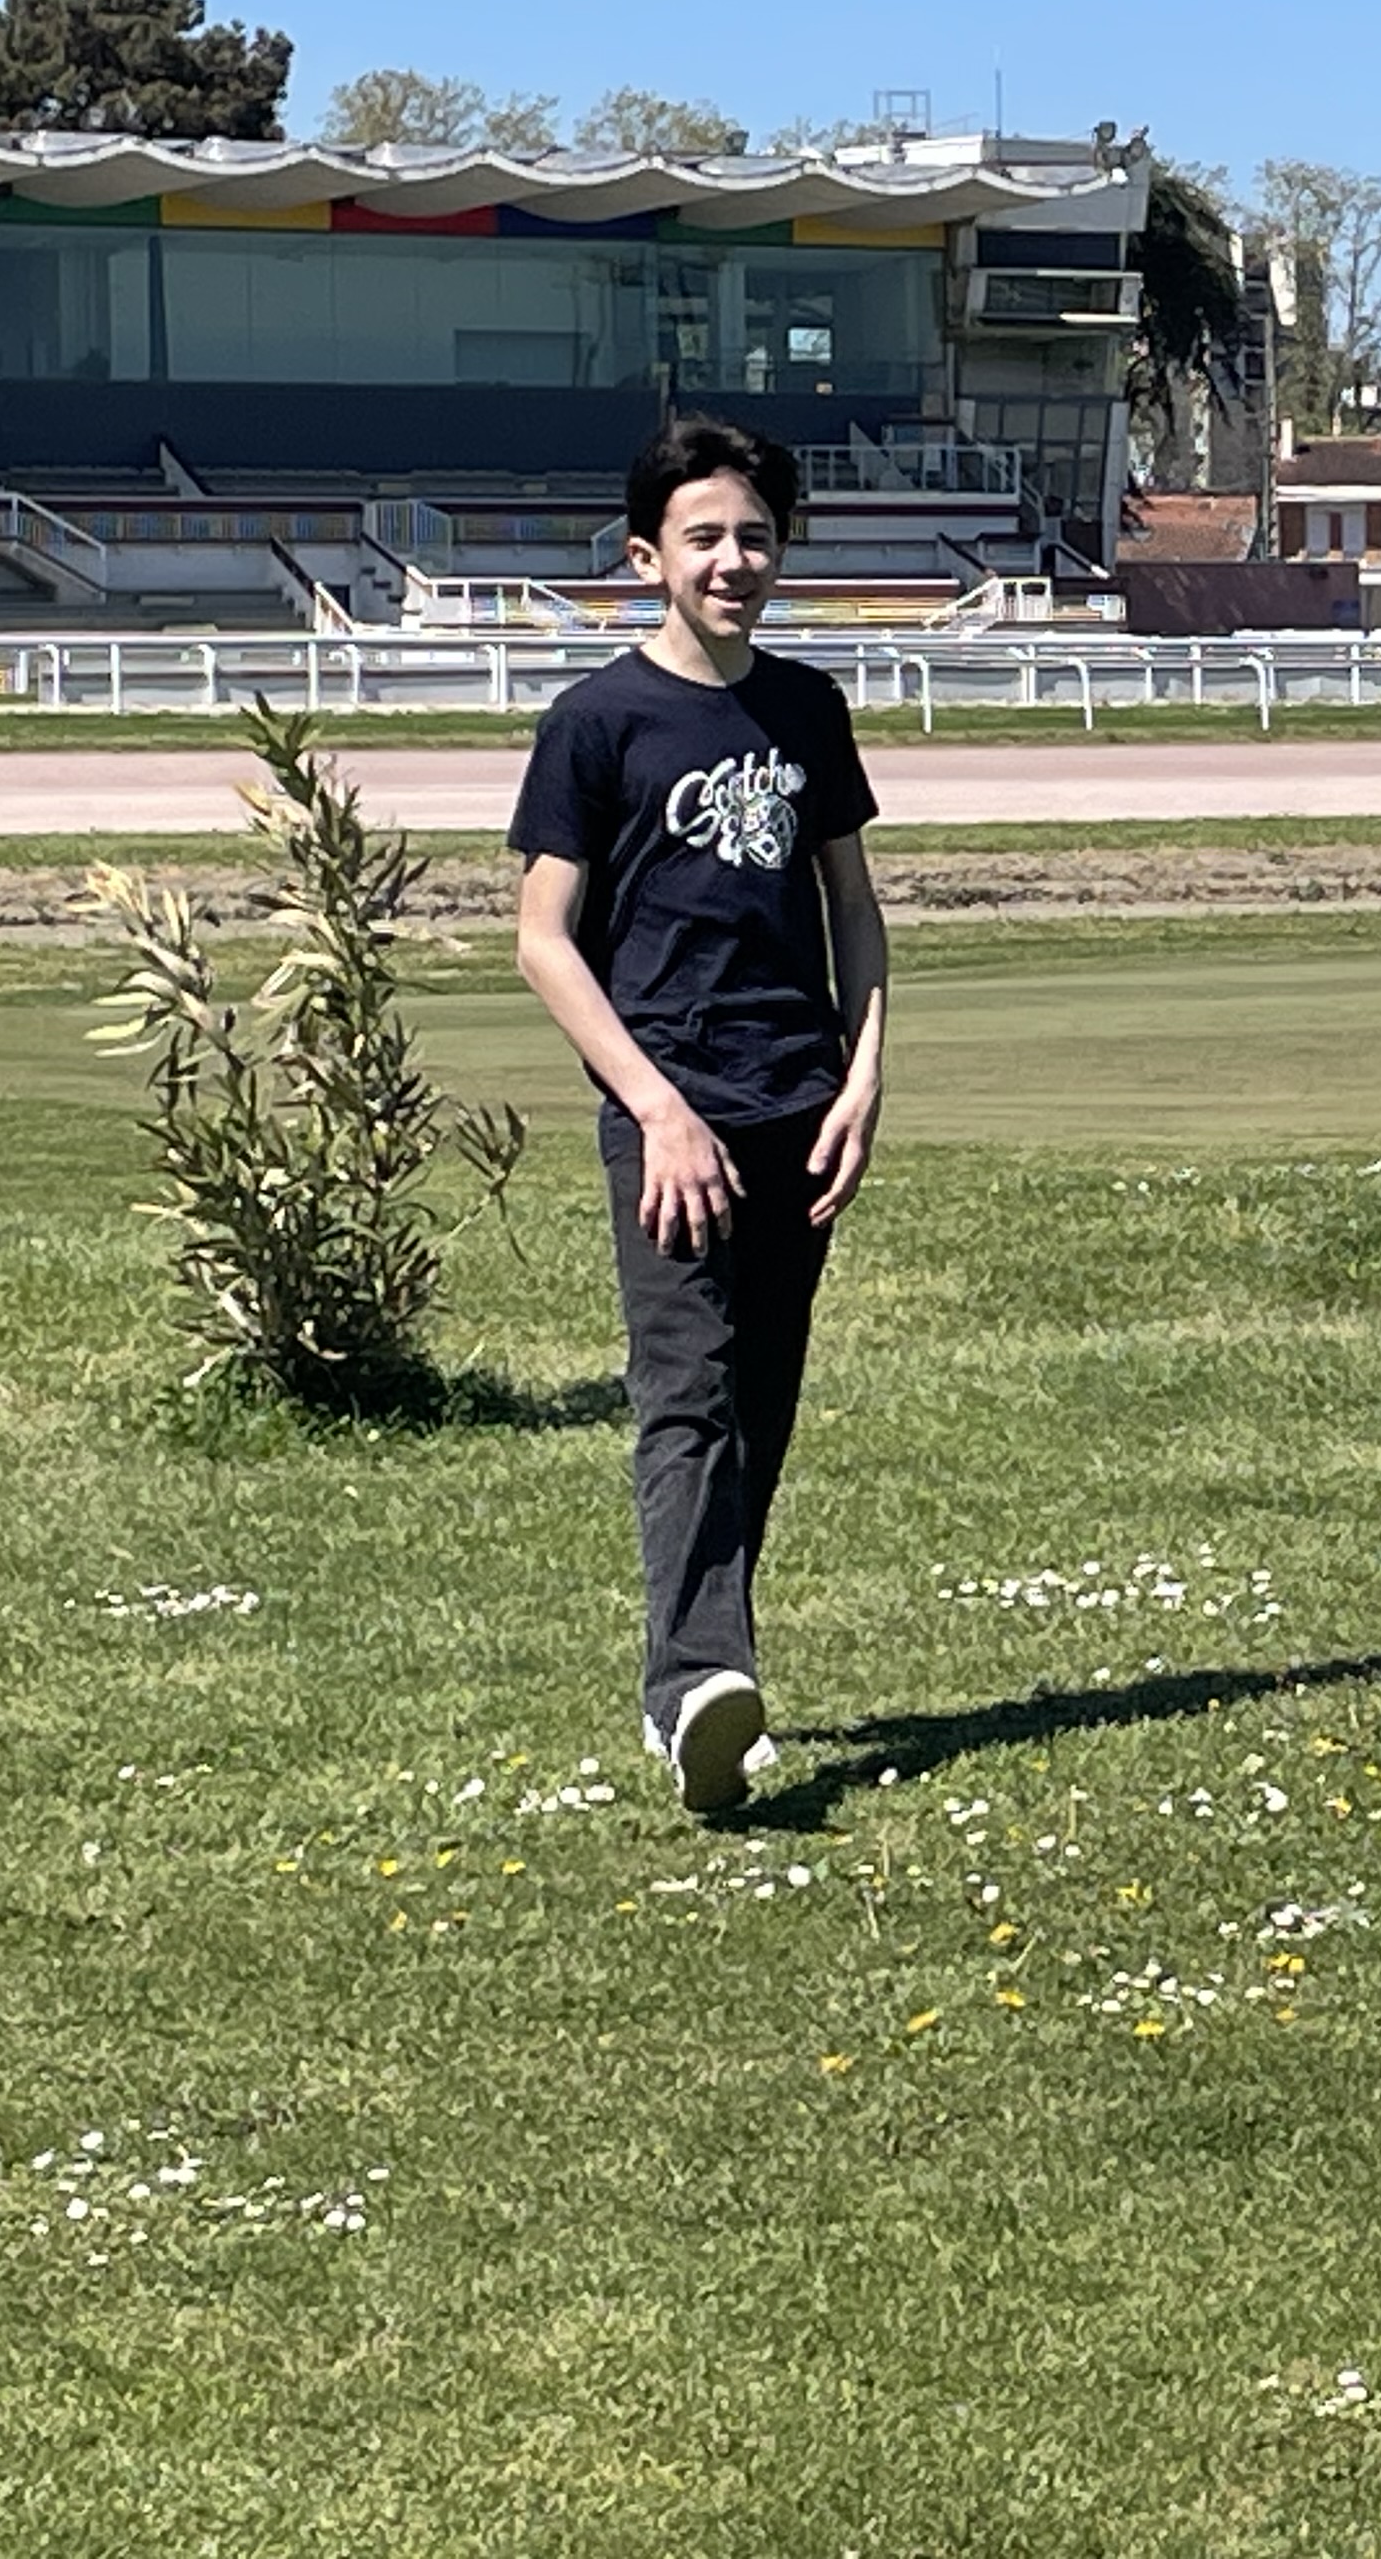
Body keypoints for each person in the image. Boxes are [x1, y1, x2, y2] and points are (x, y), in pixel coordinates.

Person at [510, 416, 889, 1820]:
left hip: (801, 1102)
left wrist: (863, 1077)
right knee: (687, 1394)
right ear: (645, 558)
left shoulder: (808, 709)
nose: (735, 561)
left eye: (756, 537)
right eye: (705, 537)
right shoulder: (597, 722)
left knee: (762, 1405)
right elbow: (543, 940)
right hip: (669, 1109)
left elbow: (854, 909)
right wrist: (658, 1109)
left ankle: (698, 1670)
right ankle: (699, 1687)